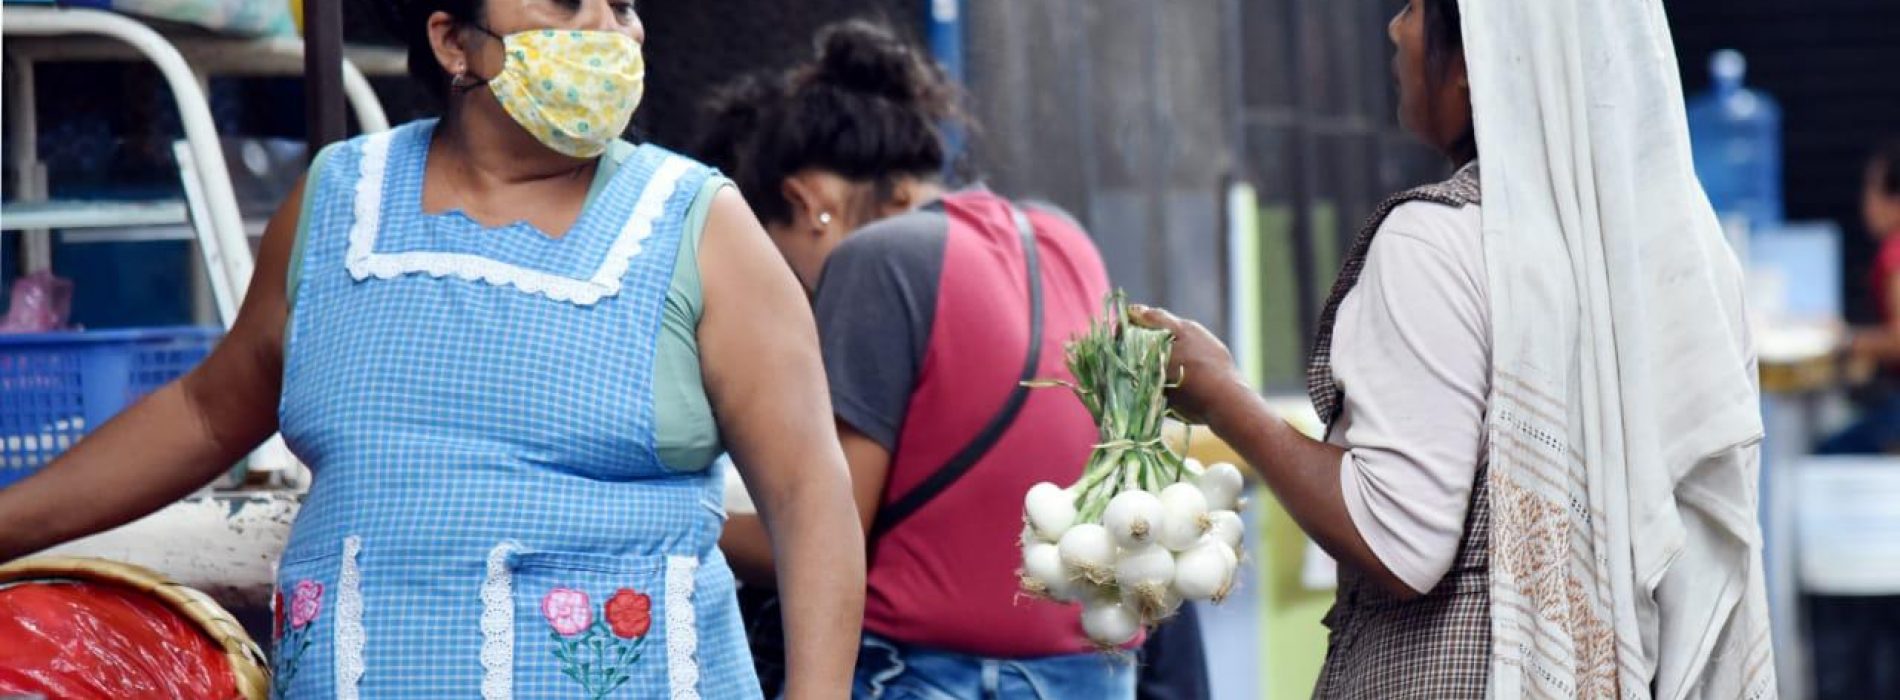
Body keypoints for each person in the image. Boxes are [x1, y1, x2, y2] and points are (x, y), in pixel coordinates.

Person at [0, 1, 865, 697]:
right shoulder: (339, 201)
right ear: (454, 41)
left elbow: (808, 492)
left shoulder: (698, 225)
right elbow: (204, 409)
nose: (609, 30)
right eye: (570, 2)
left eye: (625, 6)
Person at [1134, 0, 1774, 697]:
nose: (1395, 28)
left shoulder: (1433, 242)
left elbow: (1400, 542)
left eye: (1412, 8)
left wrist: (1225, 400)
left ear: (1475, 59)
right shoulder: (1694, 272)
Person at [694, 21, 1136, 699]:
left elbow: (825, 534)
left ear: (807, 203)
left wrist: (675, 519)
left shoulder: (876, 260)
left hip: (930, 675)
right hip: (1089, 676)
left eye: (784, 267)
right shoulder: (1060, 236)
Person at [1818, 139, 1900, 454]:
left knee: (1826, 455)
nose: (1866, 205)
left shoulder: (1894, 253)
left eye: (1872, 191)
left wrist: (1845, 339)